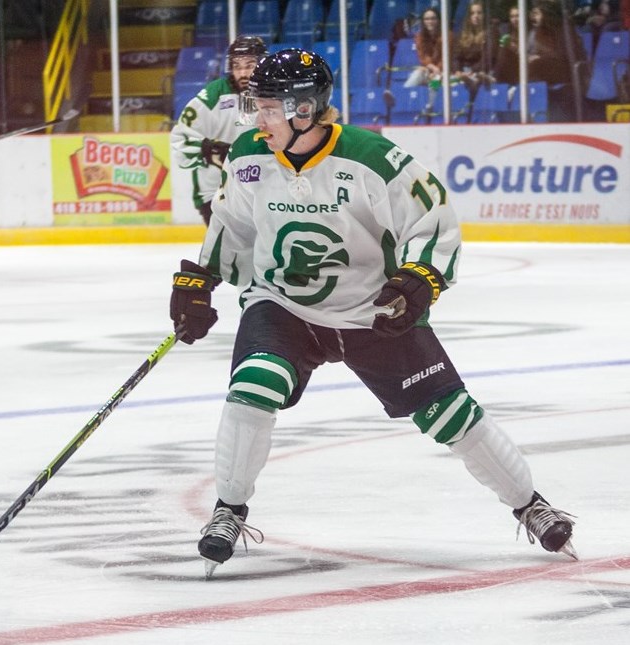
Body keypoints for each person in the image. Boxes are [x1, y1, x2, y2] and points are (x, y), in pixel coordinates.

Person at [167, 49, 577, 579]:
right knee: (254, 385)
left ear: (305, 109)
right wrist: (202, 279)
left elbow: (432, 219)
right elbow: (233, 227)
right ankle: (229, 510)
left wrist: (421, 279)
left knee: (448, 413)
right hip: (284, 305)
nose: (255, 120)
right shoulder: (248, 155)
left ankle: (530, 504)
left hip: (371, 312)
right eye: (256, 107)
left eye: (267, 108)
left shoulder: (371, 158)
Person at [170, 36, 266, 225]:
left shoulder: (274, 93)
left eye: (249, 65)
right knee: (226, 254)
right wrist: (208, 150)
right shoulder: (214, 94)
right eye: (237, 66)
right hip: (216, 195)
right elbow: (180, 138)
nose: (243, 73)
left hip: (262, 192)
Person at [452, 1, 498, 97]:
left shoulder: (491, 32)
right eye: (472, 13)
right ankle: (429, 108)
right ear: (469, 17)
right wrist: (457, 70)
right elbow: (456, 56)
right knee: (437, 84)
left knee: (475, 81)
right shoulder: (462, 34)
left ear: (484, 15)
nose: (476, 16)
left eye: (479, 13)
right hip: (463, 72)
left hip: (481, 72)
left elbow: (488, 57)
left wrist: (472, 71)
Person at [404, 7, 444, 89]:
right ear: (423, 21)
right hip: (429, 70)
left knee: (435, 83)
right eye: (427, 19)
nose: (430, 22)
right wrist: (433, 68)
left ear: (438, 20)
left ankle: (432, 100)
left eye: (433, 19)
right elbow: (423, 56)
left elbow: (447, 57)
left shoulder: (447, 36)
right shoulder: (419, 37)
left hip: (444, 72)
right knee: (418, 73)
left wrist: (437, 70)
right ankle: (402, 96)